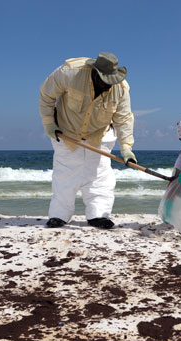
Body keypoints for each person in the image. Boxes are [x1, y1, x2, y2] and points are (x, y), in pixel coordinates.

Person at [39, 52, 136, 229]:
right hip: (66, 132)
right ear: (95, 73)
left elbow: (124, 119)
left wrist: (126, 147)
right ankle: (59, 215)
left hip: (99, 135)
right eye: (105, 80)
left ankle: (98, 215)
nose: (108, 85)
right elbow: (46, 95)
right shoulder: (69, 72)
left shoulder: (121, 88)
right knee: (65, 176)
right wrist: (49, 124)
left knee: (99, 177)